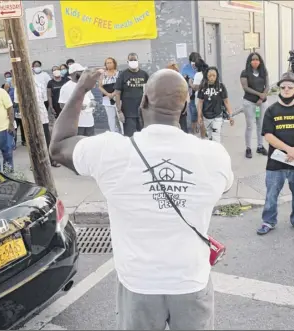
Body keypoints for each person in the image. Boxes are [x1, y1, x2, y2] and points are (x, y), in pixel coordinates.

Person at [50, 68, 233, 331]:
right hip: (191, 280)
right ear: (184, 109)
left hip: (138, 283)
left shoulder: (111, 151)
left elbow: (58, 146)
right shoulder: (214, 155)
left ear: (144, 101)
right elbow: (223, 186)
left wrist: (80, 89)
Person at [256, 72, 294, 235]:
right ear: (279, 89)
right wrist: (289, 150)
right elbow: (268, 135)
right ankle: (268, 221)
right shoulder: (271, 110)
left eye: (290, 87)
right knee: (271, 194)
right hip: (276, 162)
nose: (287, 90)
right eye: (283, 87)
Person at [14, 81, 60, 167]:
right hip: (29, 118)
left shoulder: (39, 84)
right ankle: (35, 163)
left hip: (42, 116)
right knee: (33, 142)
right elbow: (17, 102)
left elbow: (44, 99)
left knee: (47, 139)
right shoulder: (18, 86)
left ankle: (51, 160)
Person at [240, 52, 269, 158]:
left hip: (261, 104)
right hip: (250, 103)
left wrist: (262, 97)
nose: (255, 61)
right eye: (253, 59)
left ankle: (260, 146)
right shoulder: (245, 73)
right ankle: (248, 148)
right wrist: (259, 95)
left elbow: (267, 86)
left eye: (257, 59)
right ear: (249, 61)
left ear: (260, 61)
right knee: (249, 125)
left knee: (260, 124)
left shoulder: (263, 71)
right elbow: (245, 87)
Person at [197, 66, 235, 143]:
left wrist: (230, 115)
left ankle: (218, 152)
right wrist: (199, 116)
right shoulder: (203, 87)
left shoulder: (221, 86)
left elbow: (226, 102)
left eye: (214, 75)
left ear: (217, 76)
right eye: (210, 75)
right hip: (206, 115)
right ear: (206, 76)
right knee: (209, 137)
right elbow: (200, 102)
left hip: (218, 115)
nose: (212, 78)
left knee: (216, 135)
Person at [115, 52, 149, 137]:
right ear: (128, 62)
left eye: (135, 60)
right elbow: (117, 93)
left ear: (138, 61)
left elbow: (149, 92)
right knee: (129, 137)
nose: (133, 61)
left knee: (143, 136)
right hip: (128, 113)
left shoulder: (144, 74)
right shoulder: (123, 74)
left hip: (142, 112)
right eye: (131, 60)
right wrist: (119, 111)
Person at [58, 63, 96, 137]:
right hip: (77, 124)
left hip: (89, 121)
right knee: (79, 144)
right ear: (74, 73)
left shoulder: (85, 84)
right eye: (81, 72)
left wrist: (93, 103)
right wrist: (77, 107)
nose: (83, 74)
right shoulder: (66, 87)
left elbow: (91, 97)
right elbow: (62, 105)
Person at [99, 57, 122, 133]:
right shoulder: (103, 74)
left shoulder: (119, 73)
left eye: (110, 62)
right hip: (107, 99)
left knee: (120, 117)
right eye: (107, 63)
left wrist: (114, 94)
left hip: (118, 98)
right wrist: (108, 94)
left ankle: (123, 132)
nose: (108, 64)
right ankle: (113, 133)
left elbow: (121, 85)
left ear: (114, 63)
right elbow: (100, 86)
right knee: (111, 117)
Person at [167, 60, 190, 133]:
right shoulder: (165, 82)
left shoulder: (182, 81)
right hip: (170, 111)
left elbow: (186, 97)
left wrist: (184, 108)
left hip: (181, 110)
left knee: (182, 130)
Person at [182, 52, 202, 130]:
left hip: (202, 93)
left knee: (202, 112)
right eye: (193, 64)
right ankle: (194, 129)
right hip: (192, 93)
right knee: (193, 112)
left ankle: (202, 128)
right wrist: (187, 80)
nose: (194, 66)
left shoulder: (202, 67)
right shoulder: (186, 68)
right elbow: (183, 80)